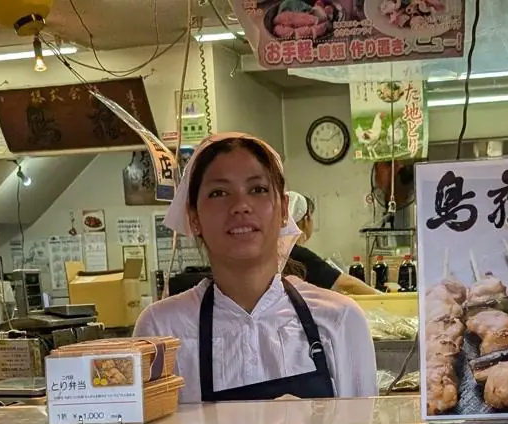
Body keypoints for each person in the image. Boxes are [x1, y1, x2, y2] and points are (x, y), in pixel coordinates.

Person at [134, 133, 377, 403]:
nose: (240, 206)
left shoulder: (340, 320)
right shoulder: (161, 330)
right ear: (194, 217)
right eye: (219, 193)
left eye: (258, 189)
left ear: (284, 210)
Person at [284, 192, 379, 298]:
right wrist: (381, 296)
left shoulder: (279, 251)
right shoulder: (298, 255)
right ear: (306, 219)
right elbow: (347, 284)